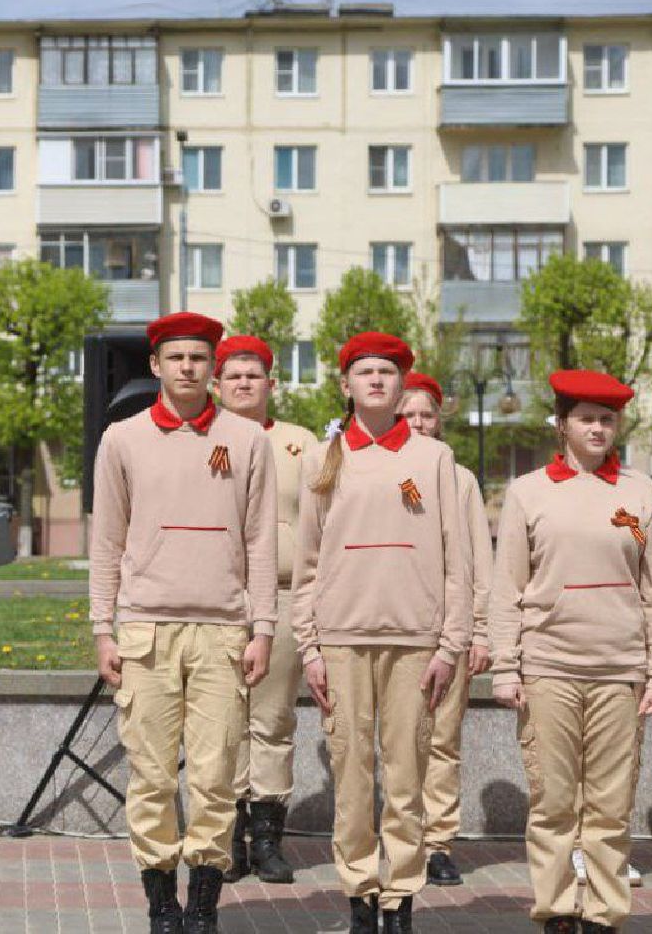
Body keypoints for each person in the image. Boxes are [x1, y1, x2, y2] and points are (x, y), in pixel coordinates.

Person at [91, 312, 278, 934]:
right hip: (146, 630)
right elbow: (106, 540)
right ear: (156, 366)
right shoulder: (122, 439)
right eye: (176, 358)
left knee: (215, 777)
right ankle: (161, 906)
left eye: (199, 358)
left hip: (223, 632)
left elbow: (261, 541)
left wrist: (263, 627)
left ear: (213, 367)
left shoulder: (248, 440)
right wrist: (102, 628)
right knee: (149, 777)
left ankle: (202, 907)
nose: (188, 368)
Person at [291, 333, 468, 934]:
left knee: (406, 777)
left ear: (401, 386)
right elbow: (307, 564)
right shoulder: (323, 458)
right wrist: (310, 647)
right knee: (351, 775)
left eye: (387, 373)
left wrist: (450, 644)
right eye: (364, 372)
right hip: (341, 640)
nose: (375, 381)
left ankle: (402, 896)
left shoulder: (434, 458)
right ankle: (360, 894)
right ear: (346, 385)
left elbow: (456, 559)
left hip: (415, 641)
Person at [490, 369, 652, 934]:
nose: (597, 429)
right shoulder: (528, 492)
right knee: (552, 804)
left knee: (610, 807)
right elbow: (507, 586)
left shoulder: (639, 491)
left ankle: (603, 914)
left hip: (620, 671)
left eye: (607, 420)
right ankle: (557, 911)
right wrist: (505, 666)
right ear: (563, 424)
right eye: (586, 419)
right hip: (549, 670)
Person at [215, 334, 317, 885]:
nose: (243, 384)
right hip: (221, 596)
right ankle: (228, 835)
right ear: (217, 385)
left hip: (282, 594)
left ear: (271, 384)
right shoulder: (204, 438)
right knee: (225, 718)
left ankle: (268, 837)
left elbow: (323, 518)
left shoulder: (301, 442)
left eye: (253, 375)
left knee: (273, 718)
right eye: (233, 376)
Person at [398, 372, 493, 888]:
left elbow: (479, 557)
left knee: (442, 741)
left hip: (448, 631)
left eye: (426, 414)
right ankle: (400, 836)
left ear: (439, 419)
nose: (418, 423)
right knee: (395, 741)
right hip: (393, 628)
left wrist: (480, 629)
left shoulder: (461, 480)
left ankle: (437, 842)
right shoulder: (376, 468)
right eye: (408, 414)